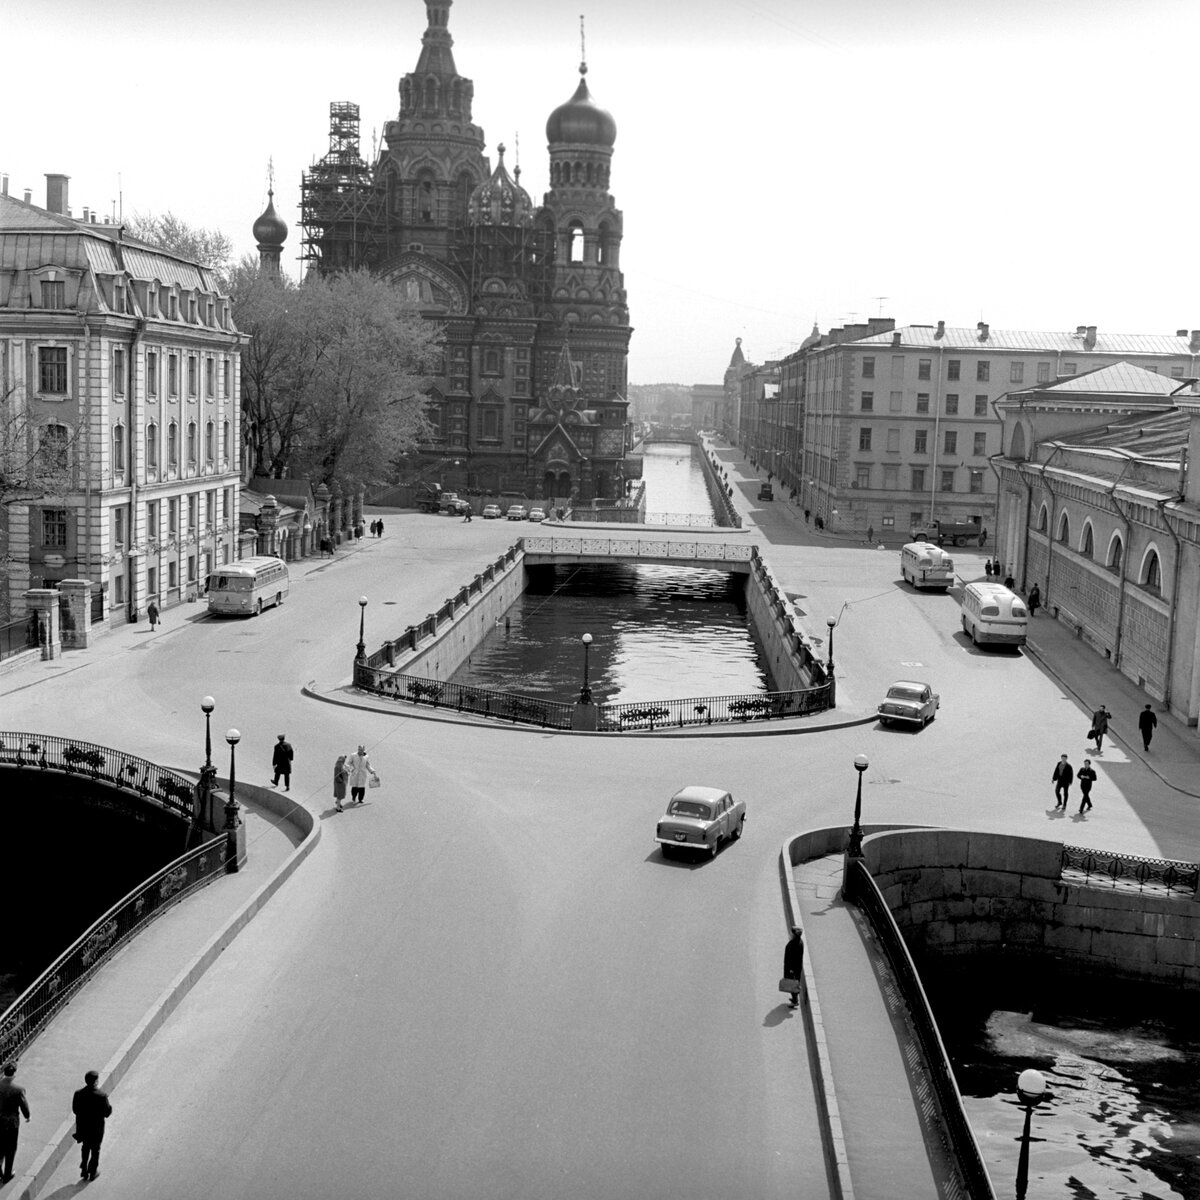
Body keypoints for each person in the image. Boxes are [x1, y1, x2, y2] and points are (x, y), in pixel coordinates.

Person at [72, 1070, 112, 1181]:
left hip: (83, 1127)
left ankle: (84, 1167)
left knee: (85, 1147)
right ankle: (93, 1171)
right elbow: (107, 1113)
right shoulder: (102, 1096)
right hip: (97, 1128)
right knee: (95, 1149)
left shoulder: (78, 1094)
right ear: (95, 1082)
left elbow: (75, 1110)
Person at [0, 1062, 30, 1183]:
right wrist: (27, 1116)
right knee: (11, 1147)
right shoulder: (19, 1090)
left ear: (3, 1072)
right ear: (14, 1075)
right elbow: (23, 1105)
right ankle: (7, 1174)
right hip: (12, 1122)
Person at [781, 927, 805, 1008]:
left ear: (794, 935)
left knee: (792, 984)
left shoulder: (794, 944)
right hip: (795, 968)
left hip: (792, 969)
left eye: (791, 933)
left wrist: (791, 970)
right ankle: (794, 998)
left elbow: (793, 958)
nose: (790, 934)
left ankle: (795, 1001)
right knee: (794, 983)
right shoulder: (798, 942)